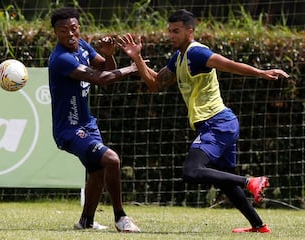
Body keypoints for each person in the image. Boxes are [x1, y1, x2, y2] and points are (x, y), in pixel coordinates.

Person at [118, 9, 289, 233]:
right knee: (225, 181)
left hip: (217, 123)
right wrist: (137, 58)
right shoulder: (178, 57)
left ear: (190, 31)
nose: (171, 35)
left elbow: (226, 63)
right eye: (169, 31)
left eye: (176, 31)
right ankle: (259, 226)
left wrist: (261, 72)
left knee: (191, 171)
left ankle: (250, 182)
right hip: (222, 124)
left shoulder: (197, 53)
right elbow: (155, 84)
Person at [48, 7, 140, 233]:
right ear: (56, 34)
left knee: (98, 172)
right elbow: (103, 79)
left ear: (78, 28)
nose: (70, 34)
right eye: (63, 31)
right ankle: (121, 218)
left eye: (73, 28)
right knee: (112, 160)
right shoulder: (61, 59)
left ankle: (86, 221)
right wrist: (134, 67)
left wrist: (108, 54)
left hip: (88, 124)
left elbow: (107, 69)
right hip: (69, 130)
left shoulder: (82, 46)